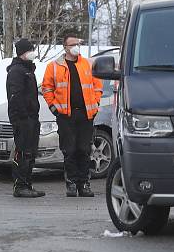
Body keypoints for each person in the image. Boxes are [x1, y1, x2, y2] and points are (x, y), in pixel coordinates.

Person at [42, 34, 103, 197]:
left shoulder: (88, 64)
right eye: (73, 44)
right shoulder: (54, 66)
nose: (77, 46)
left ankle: (84, 184)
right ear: (65, 48)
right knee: (69, 150)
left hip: (85, 115)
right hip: (65, 116)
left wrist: (96, 104)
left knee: (84, 150)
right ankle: (71, 183)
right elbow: (46, 88)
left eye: (78, 43)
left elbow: (98, 86)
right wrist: (53, 107)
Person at [6, 39, 45, 198]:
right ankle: (20, 185)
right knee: (23, 151)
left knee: (30, 152)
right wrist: (23, 116)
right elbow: (15, 96)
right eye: (30, 50)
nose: (32, 52)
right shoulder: (17, 71)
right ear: (22, 53)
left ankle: (27, 184)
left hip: (31, 118)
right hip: (23, 119)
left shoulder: (28, 70)